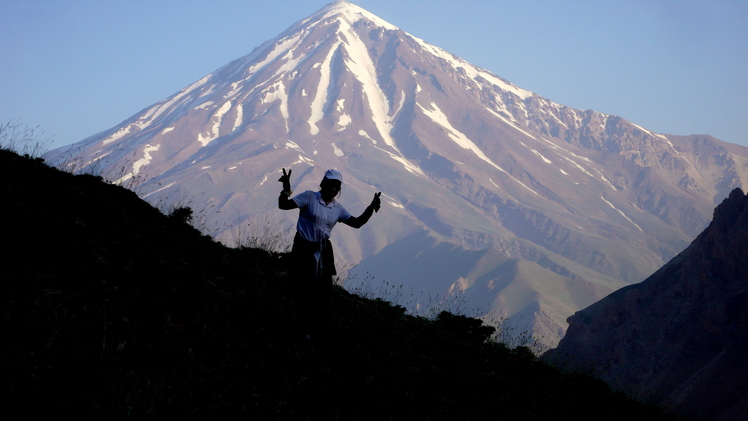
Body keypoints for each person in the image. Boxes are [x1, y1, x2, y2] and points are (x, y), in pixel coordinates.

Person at [278, 168, 381, 342]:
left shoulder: (337, 209)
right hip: (304, 248)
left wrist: (370, 208)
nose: (334, 188)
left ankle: (319, 330)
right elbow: (284, 205)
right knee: (306, 290)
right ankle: (303, 329)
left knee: (324, 291)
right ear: (323, 184)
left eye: (337, 186)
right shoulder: (308, 197)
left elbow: (356, 223)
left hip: (324, 251)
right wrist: (286, 189)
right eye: (331, 184)